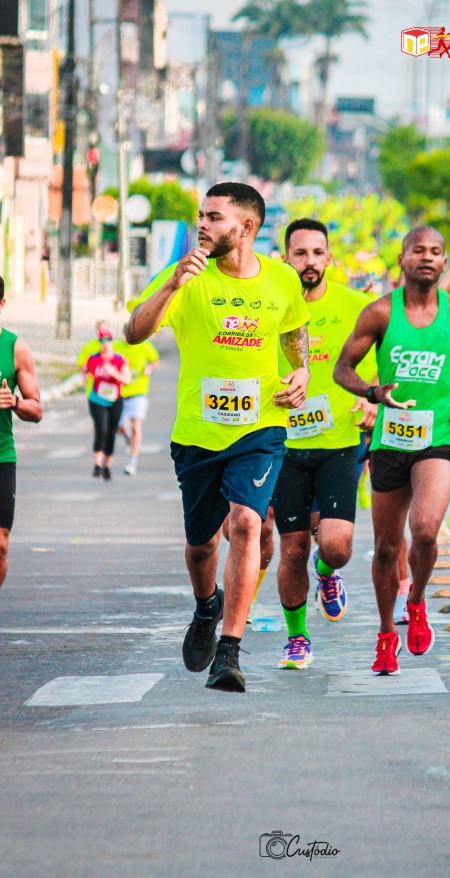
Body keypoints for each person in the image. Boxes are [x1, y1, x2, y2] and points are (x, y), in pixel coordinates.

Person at [125, 182, 310, 693]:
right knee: (201, 546)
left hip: (260, 428)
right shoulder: (187, 277)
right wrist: (171, 286)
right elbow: (133, 333)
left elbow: (295, 331)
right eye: (200, 216)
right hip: (198, 435)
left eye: (213, 217)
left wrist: (303, 371)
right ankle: (206, 606)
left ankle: (229, 650)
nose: (202, 225)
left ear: (246, 227)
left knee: (247, 523)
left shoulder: (280, 279)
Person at [334, 226, 450, 674]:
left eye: (435, 252)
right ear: (402, 260)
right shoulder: (379, 314)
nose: (427, 258)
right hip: (390, 439)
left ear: (445, 263)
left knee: (425, 529)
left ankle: (417, 601)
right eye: (418, 251)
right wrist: (372, 392)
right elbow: (342, 369)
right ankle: (387, 633)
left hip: (439, 438)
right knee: (387, 549)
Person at [272, 218, 377, 671]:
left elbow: (382, 361)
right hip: (283, 445)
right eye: (300, 253)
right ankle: (297, 638)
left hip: (339, 442)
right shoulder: (271, 306)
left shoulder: (358, 307)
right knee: (292, 548)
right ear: (286, 259)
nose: (309, 262)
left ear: (329, 258)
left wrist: (374, 399)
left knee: (335, 545)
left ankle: (328, 571)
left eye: (317, 253)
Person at [0, 275, 43, 588]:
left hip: (2, 455)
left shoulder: (15, 348)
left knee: (0, 544)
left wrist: (14, 400)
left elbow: (36, 409)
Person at [83, 329, 131, 480]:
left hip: (115, 400)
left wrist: (113, 372)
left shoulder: (119, 360)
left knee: (111, 432)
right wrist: (85, 381)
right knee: (101, 429)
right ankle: (97, 464)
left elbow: (127, 380)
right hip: (97, 399)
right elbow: (84, 370)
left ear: (112, 341)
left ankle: (107, 465)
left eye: (108, 340)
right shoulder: (93, 359)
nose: (105, 343)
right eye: (102, 340)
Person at [114, 328, 160, 476]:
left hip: (138, 392)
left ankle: (132, 461)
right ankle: (128, 439)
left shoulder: (145, 345)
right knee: (120, 427)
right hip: (120, 394)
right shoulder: (117, 347)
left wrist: (149, 368)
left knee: (137, 426)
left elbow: (154, 360)